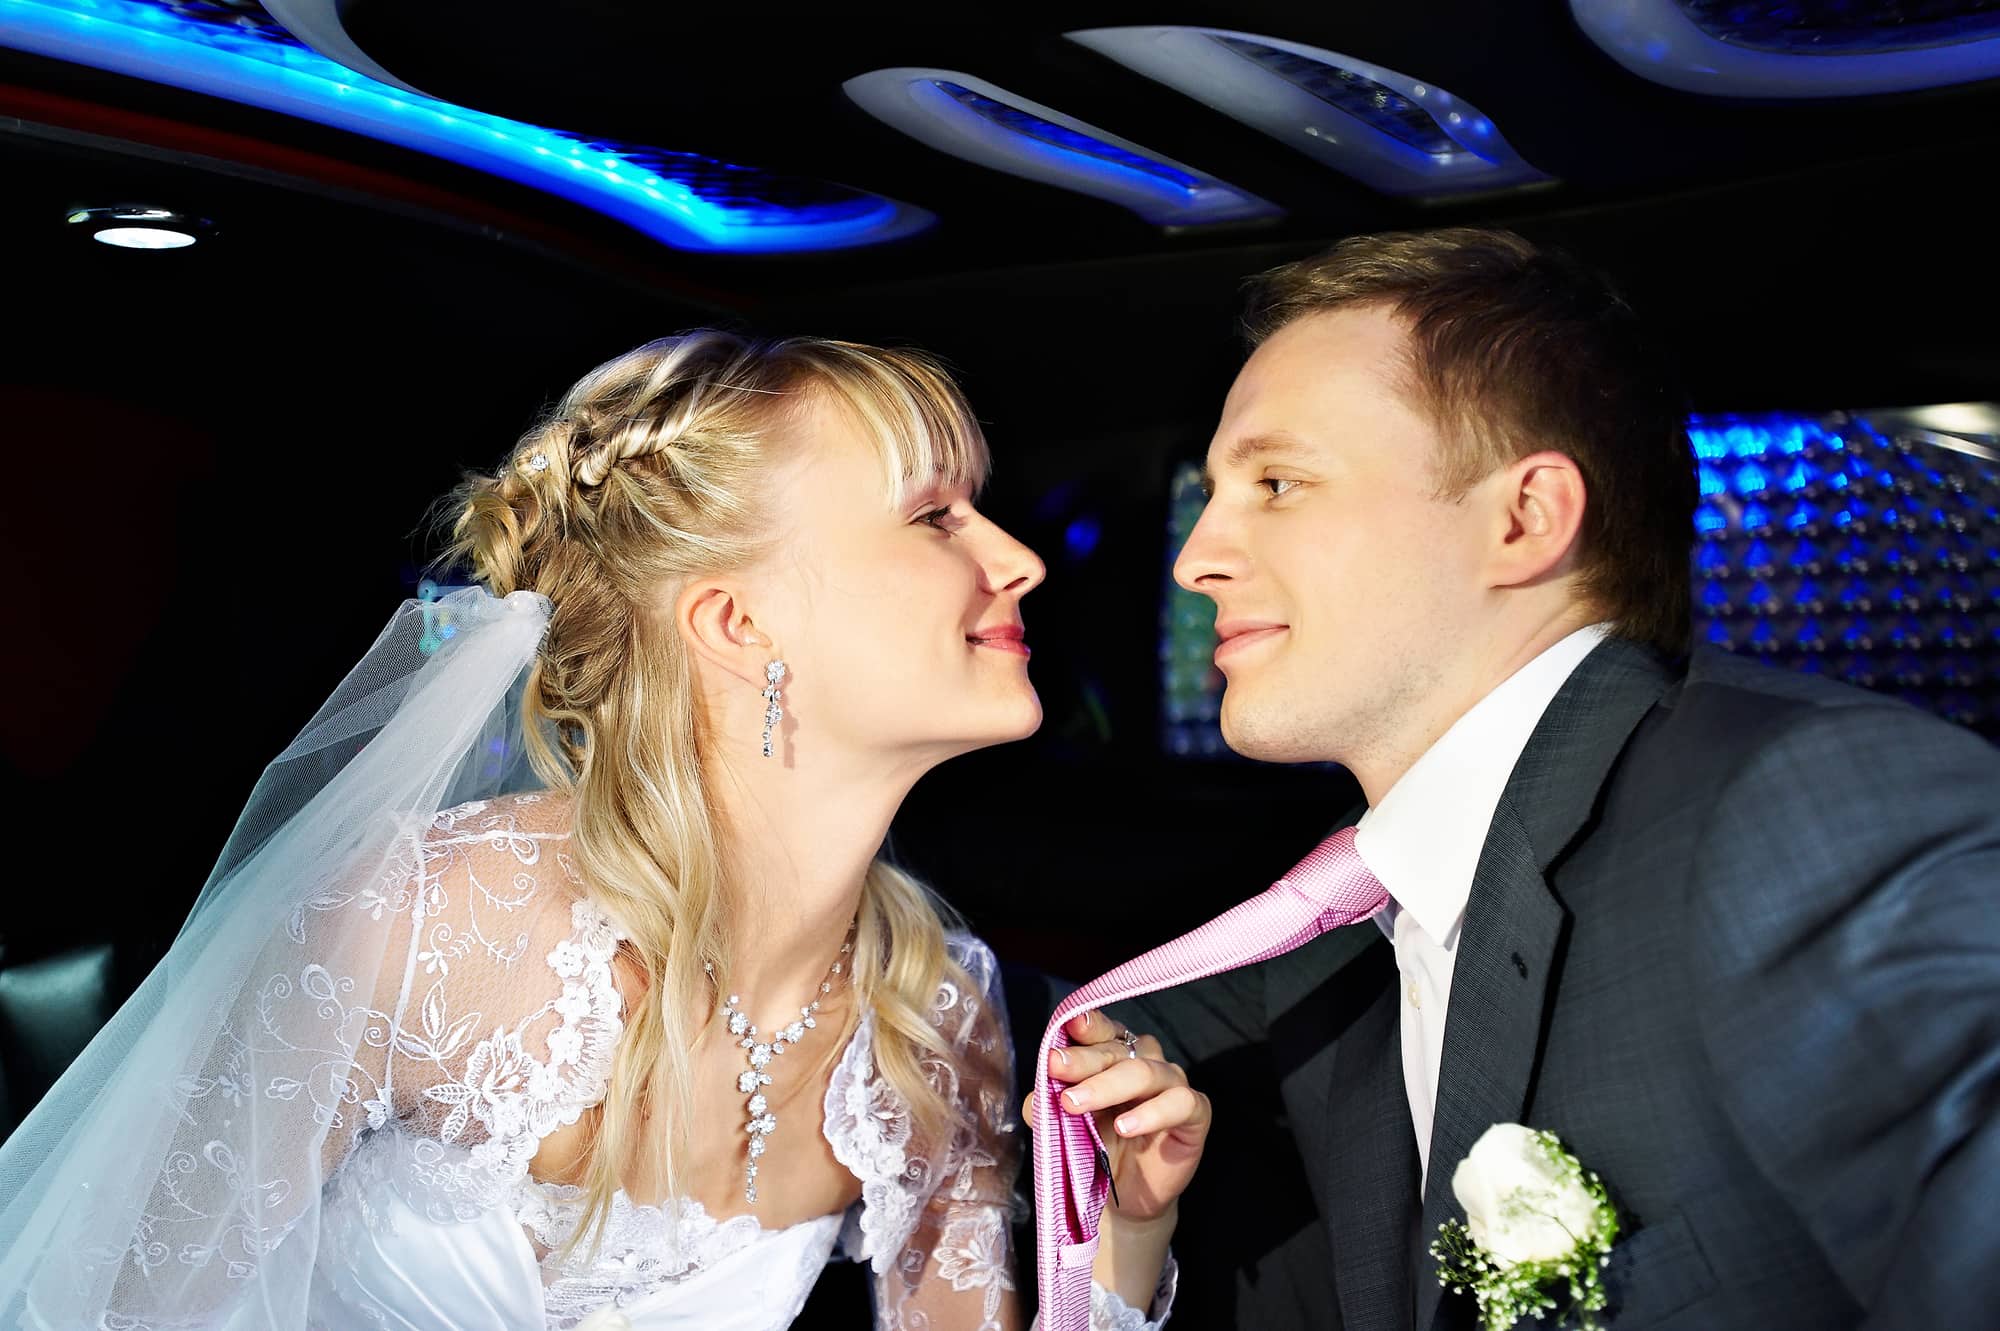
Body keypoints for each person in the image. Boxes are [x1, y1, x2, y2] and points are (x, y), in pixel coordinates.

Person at [0, 331, 1206, 1330]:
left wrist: (1130, 1228)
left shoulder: (933, 1006)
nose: (1021, 560)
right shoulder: (422, 923)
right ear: (736, 622)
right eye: (934, 515)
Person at [1104, 227, 2000, 1329]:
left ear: (1522, 519)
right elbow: (1019, 1052)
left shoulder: (1806, 811)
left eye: (1277, 482)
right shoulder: (1332, 947)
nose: (1198, 554)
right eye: (1214, 490)